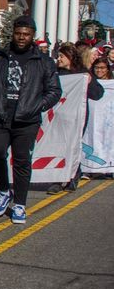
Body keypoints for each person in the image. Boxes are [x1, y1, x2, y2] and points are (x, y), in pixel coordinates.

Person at [0, 15, 61, 224]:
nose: (21, 37)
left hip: (27, 119)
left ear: (33, 35)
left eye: (26, 34)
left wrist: (37, 106)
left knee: (21, 160)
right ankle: (4, 190)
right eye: (18, 33)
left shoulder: (44, 61)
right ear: (13, 33)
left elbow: (54, 90)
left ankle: (19, 204)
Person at [48, 43, 104, 194]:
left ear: (70, 58)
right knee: (58, 145)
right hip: (58, 116)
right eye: (58, 56)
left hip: (77, 117)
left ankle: (72, 176)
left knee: (72, 145)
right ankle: (58, 179)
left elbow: (98, 94)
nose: (58, 59)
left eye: (61, 56)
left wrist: (90, 82)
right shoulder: (55, 73)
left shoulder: (82, 74)